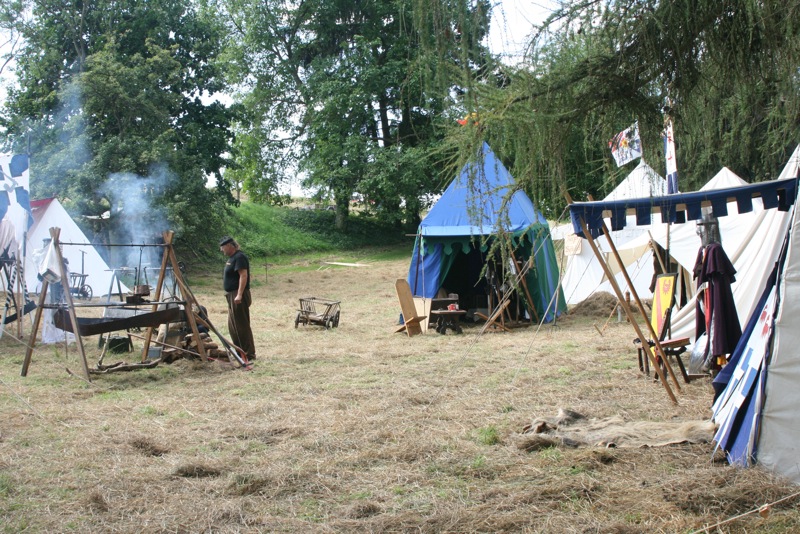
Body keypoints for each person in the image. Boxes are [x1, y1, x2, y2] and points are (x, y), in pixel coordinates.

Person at [219, 236, 256, 361]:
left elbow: (243, 276)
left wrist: (239, 294)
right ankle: (240, 353)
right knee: (233, 327)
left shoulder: (239, 257)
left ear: (230, 245)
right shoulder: (232, 258)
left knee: (241, 326)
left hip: (238, 295)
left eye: (223, 247)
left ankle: (249, 354)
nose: (221, 250)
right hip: (231, 295)